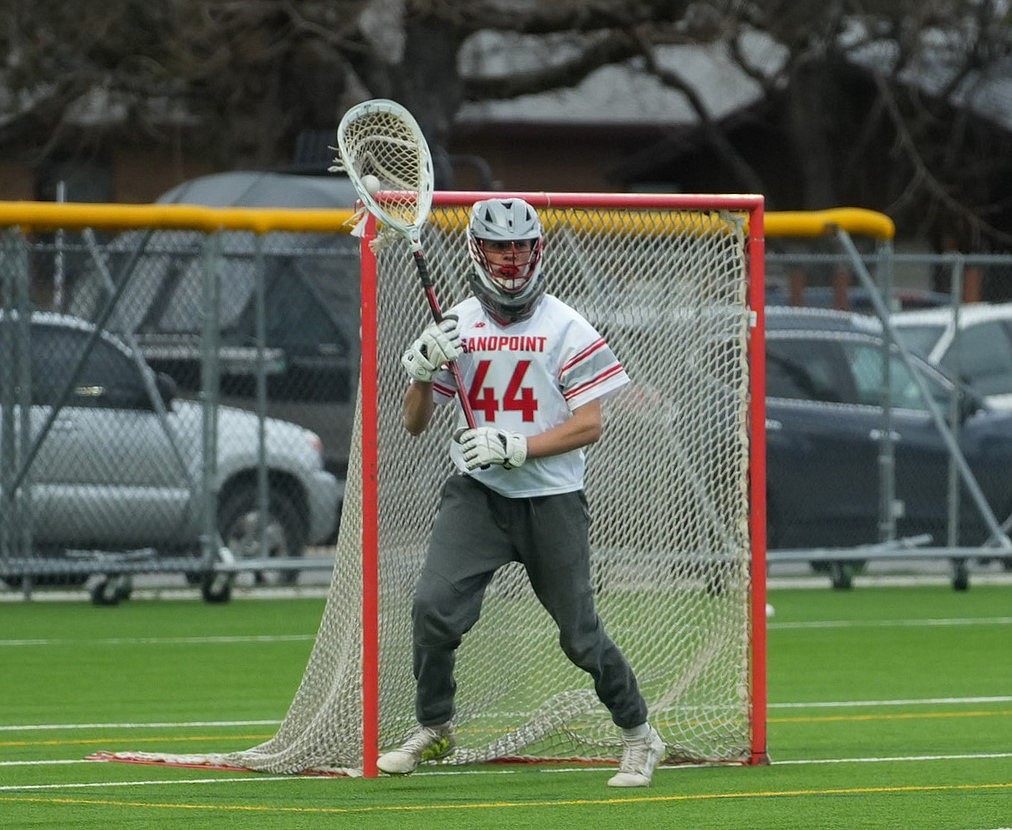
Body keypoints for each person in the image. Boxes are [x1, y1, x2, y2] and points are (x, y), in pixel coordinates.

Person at [376, 197, 664, 788]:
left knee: (580, 636)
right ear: (477, 251)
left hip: (551, 497)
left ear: (538, 249)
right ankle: (435, 725)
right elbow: (411, 423)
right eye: (499, 247)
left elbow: (590, 425)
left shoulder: (566, 325)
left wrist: (519, 447)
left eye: (521, 246)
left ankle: (640, 736)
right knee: (432, 608)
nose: (511, 259)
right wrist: (421, 375)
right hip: (477, 495)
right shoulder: (455, 323)